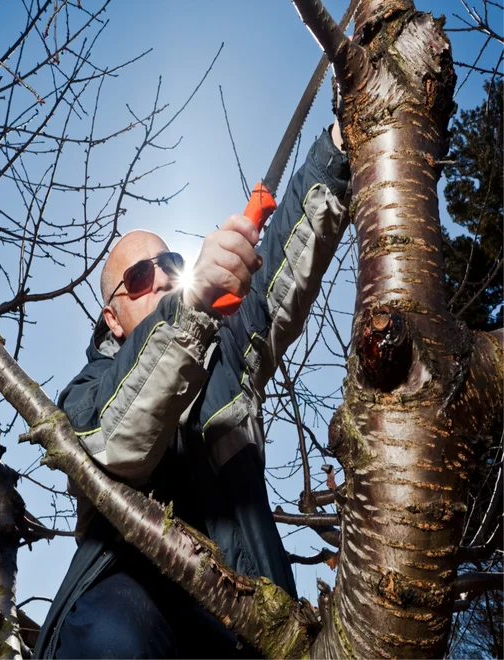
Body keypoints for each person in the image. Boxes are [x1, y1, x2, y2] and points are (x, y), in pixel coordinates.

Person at [34, 121, 350, 659]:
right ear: (112, 318)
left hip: (249, 614)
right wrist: (190, 306)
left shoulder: (224, 357)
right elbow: (114, 437)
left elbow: (279, 262)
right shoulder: (83, 394)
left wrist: (340, 148)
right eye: (137, 276)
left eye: (170, 265)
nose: (158, 277)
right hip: (126, 598)